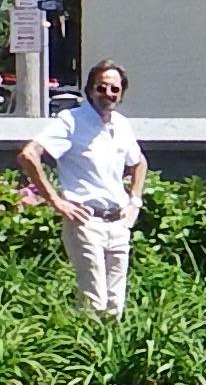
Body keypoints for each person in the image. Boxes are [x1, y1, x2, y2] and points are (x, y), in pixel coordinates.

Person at [22, 62, 147, 318]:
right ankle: (82, 354)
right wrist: (56, 201)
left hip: (118, 223)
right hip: (85, 221)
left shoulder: (122, 125)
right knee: (94, 303)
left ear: (122, 93)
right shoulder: (71, 121)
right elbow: (28, 155)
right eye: (101, 87)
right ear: (90, 89)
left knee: (114, 308)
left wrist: (135, 200)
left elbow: (139, 162)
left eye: (115, 88)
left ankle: (109, 357)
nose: (108, 93)